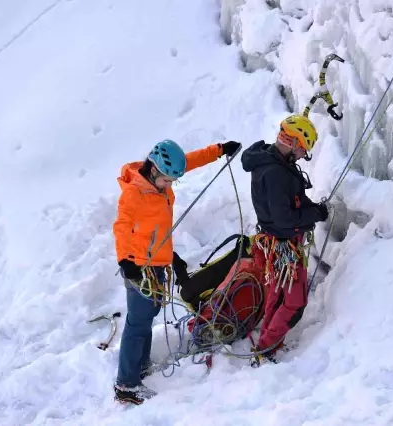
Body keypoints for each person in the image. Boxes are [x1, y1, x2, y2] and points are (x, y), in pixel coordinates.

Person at [112, 138, 240, 405]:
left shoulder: (158, 179)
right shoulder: (134, 193)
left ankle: (141, 365)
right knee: (137, 323)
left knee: (147, 317)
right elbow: (122, 226)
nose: (170, 186)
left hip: (158, 263)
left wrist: (218, 151)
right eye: (167, 181)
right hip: (140, 268)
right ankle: (126, 384)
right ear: (154, 171)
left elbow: (189, 161)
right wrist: (126, 262)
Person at [240, 114, 329, 367]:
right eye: (303, 150)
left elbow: (292, 201)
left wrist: (312, 209)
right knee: (295, 302)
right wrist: (315, 214)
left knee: (277, 296)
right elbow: (285, 218)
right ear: (293, 143)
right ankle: (267, 347)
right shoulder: (276, 173)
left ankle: (266, 342)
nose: (303, 156)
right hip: (283, 246)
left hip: (273, 245)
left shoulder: (268, 160)